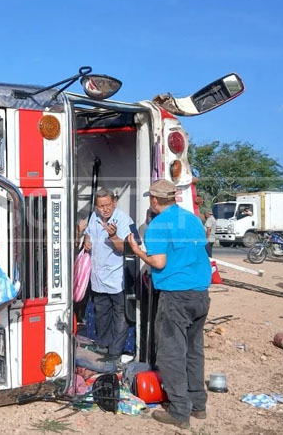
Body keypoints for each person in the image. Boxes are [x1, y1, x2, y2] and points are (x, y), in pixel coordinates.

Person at [127, 179, 211, 430]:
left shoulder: (158, 225)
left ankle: (178, 411)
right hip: (200, 293)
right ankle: (198, 404)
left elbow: (159, 262)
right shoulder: (192, 219)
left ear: (154, 200)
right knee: (193, 349)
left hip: (176, 295)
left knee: (171, 353)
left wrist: (137, 250)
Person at [76, 188, 133, 359]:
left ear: (114, 203)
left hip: (117, 280)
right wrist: (86, 241)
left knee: (120, 317)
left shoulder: (123, 220)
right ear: (96, 207)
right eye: (101, 206)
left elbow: (125, 248)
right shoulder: (94, 217)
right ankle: (102, 346)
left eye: (108, 205)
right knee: (101, 314)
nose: (105, 209)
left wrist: (114, 236)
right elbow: (88, 234)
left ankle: (115, 352)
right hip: (98, 278)